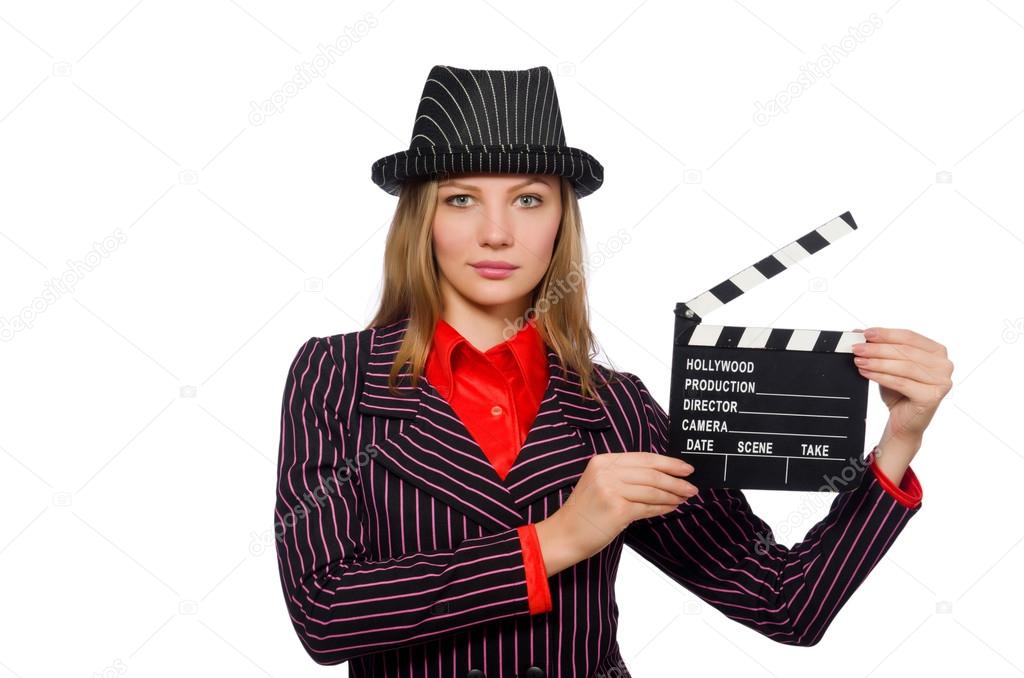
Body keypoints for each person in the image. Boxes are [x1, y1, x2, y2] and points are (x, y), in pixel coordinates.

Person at [273, 64, 952, 678]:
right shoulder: (337, 377)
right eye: (461, 199)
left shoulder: (617, 409)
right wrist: (554, 540)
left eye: (529, 199)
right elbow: (325, 613)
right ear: (421, 220)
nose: (497, 232)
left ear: (561, 220)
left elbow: (786, 603)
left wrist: (899, 441)